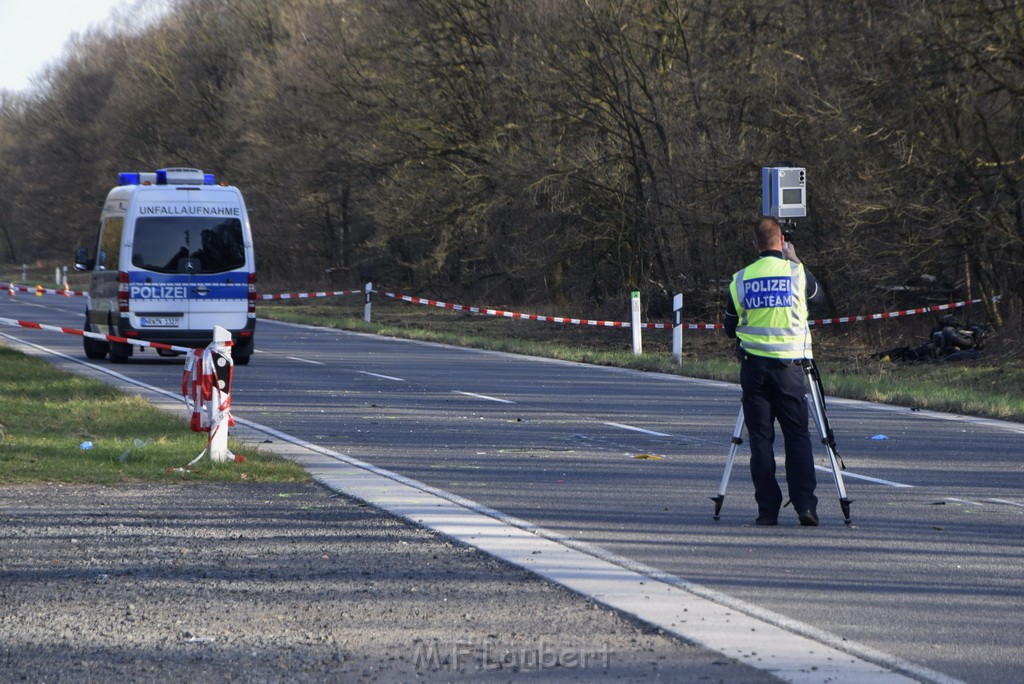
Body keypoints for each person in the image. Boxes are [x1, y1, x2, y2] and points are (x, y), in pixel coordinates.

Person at [724, 218, 826, 526]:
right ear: (781, 241)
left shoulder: (740, 279)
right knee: (797, 437)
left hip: (755, 370)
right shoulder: (796, 274)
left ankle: (767, 510)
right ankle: (805, 505)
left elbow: (730, 328)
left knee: (760, 439)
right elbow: (818, 298)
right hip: (790, 369)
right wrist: (797, 260)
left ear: (755, 245)